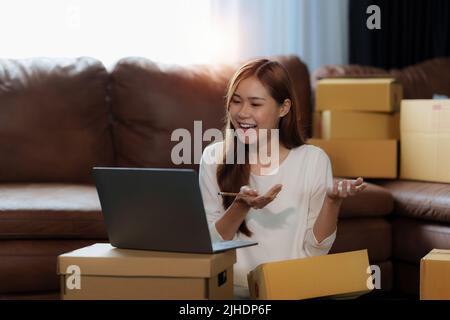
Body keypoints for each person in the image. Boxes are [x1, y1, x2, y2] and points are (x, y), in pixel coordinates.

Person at [198, 58, 367, 296]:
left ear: (283, 108)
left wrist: (332, 202)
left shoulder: (313, 160)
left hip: (292, 289)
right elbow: (209, 246)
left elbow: (316, 251)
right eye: (236, 101)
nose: (243, 113)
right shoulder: (213, 157)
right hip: (233, 291)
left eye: (255, 104)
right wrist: (240, 206)